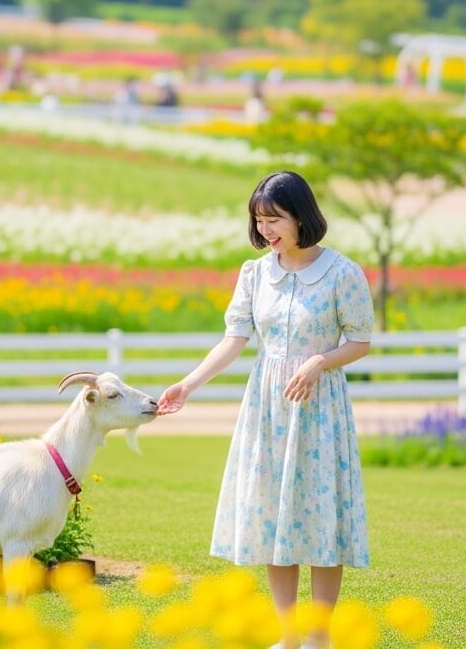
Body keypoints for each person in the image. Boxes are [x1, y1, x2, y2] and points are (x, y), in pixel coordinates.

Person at [158, 170, 374, 649]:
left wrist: (319, 362)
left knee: (320, 518)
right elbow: (235, 338)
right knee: (277, 518)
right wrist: (189, 384)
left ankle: (319, 638)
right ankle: (288, 637)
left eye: (274, 219)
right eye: (260, 220)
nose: (266, 230)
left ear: (302, 216)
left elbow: (360, 340)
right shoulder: (255, 273)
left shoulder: (342, 273)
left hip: (318, 408)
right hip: (268, 407)